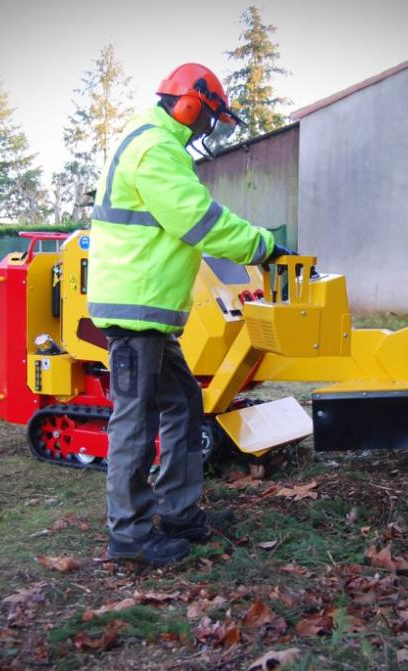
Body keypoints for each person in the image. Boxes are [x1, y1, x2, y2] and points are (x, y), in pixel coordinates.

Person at [86, 63, 292, 566]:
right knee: (135, 423)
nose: (209, 130)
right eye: (210, 119)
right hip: (137, 314)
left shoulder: (158, 144)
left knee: (184, 404)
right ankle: (130, 537)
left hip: (151, 314)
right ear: (189, 104)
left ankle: (179, 514)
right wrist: (264, 247)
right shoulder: (156, 149)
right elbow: (199, 220)